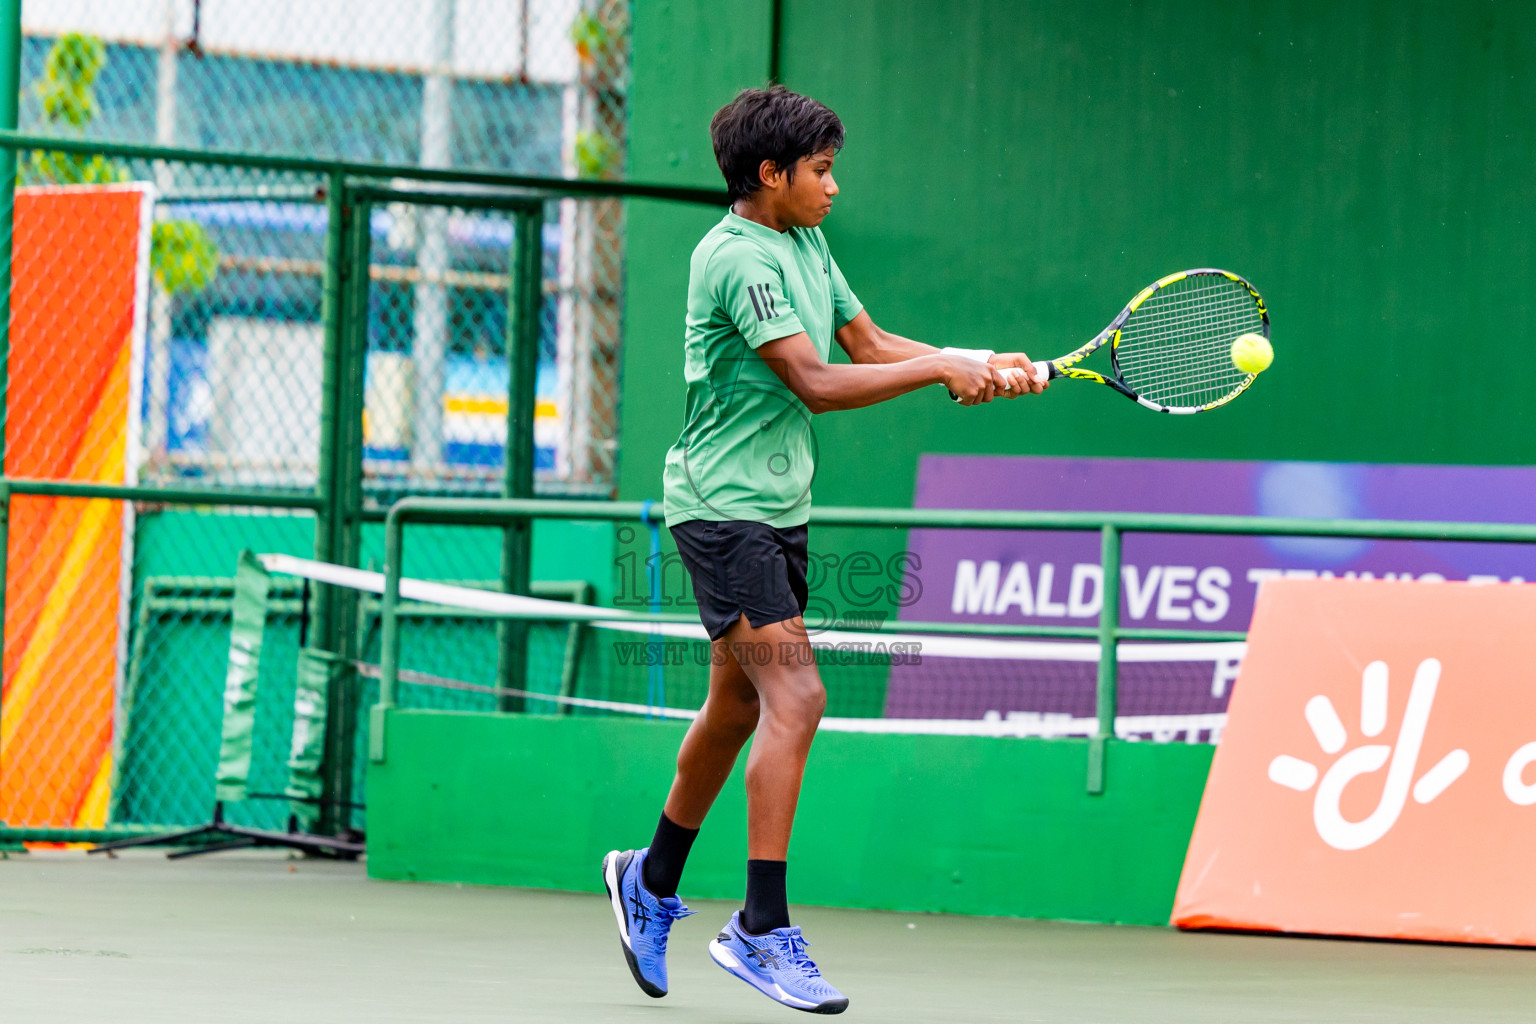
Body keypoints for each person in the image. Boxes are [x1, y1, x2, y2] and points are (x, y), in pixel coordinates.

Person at [603, 84, 1046, 1015]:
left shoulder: (806, 242)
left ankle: (649, 879)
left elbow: (870, 341)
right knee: (798, 694)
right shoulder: (734, 258)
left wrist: (980, 361)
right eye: (821, 171)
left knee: (734, 706)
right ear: (771, 176)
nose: (834, 188)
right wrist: (940, 370)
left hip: (778, 505)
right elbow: (810, 379)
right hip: (723, 511)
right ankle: (760, 928)